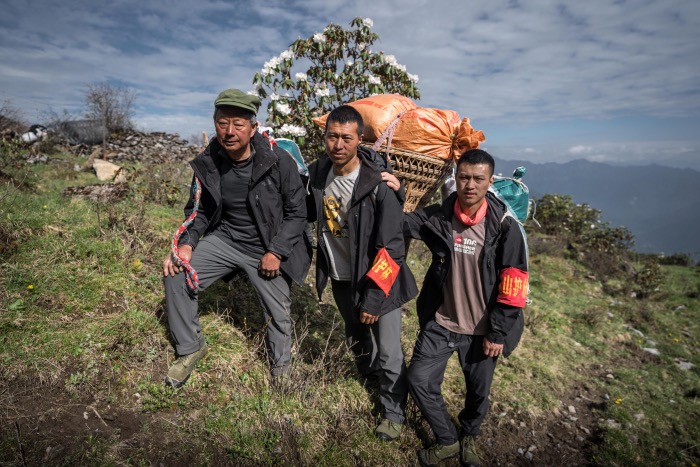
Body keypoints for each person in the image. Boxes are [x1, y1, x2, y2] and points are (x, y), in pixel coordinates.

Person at [162, 89, 311, 388]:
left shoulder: (278, 161)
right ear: (215, 123)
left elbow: (298, 214)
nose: (229, 132)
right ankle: (190, 349)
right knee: (176, 273)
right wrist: (187, 244)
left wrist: (277, 251)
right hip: (227, 240)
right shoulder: (209, 161)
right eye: (222, 123)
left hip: (268, 246)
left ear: (253, 127)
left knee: (278, 314)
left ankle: (282, 373)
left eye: (238, 124)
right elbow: (198, 209)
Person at [401, 149, 528, 466]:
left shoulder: (504, 227)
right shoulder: (439, 217)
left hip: (483, 331)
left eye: (478, 179)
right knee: (418, 379)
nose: (470, 185)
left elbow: (514, 284)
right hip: (441, 322)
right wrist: (391, 190)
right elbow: (403, 223)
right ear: (455, 178)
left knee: (477, 393)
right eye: (464, 177)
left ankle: (469, 435)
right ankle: (448, 439)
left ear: (489, 181)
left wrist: (498, 333)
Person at [306, 105, 418, 441]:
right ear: (324, 137)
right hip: (341, 275)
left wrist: (373, 296)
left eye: (345, 137)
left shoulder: (378, 185)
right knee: (355, 333)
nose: (337, 144)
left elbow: (392, 248)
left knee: (388, 349)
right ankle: (368, 379)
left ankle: (393, 412)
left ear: (359, 140)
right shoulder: (318, 174)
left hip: (380, 284)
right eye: (331, 136)